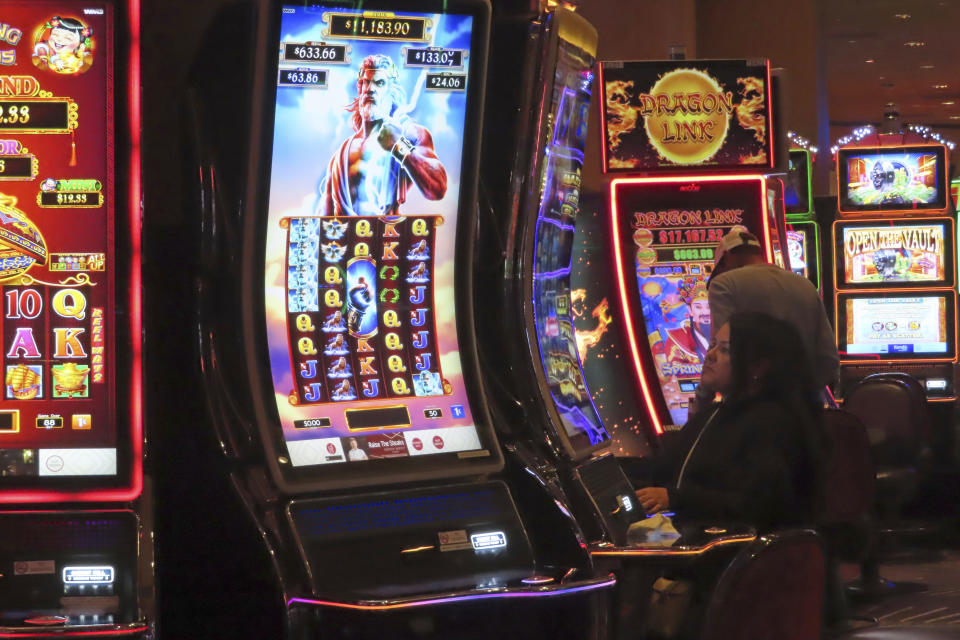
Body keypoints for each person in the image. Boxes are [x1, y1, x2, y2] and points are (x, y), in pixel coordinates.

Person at [635, 312, 830, 532]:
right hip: (697, 535)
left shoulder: (772, 422)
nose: (710, 355)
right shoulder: (718, 412)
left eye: (725, 350)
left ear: (758, 367)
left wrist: (676, 498)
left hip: (738, 553)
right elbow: (670, 471)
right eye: (714, 345)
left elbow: (760, 505)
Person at [690, 228, 839, 414]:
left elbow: (721, 349)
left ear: (726, 258)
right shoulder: (805, 285)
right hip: (803, 412)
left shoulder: (724, 284)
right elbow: (829, 360)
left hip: (750, 411)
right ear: (759, 254)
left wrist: (701, 403)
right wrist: (805, 393)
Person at [316, 54, 447, 216]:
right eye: (365, 82)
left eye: (379, 83)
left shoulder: (409, 134)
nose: (370, 88)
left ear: (392, 93)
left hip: (387, 239)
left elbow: (437, 188)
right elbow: (325, 212)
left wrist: (399, 146)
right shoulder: (341, 154)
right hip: (346, 239)